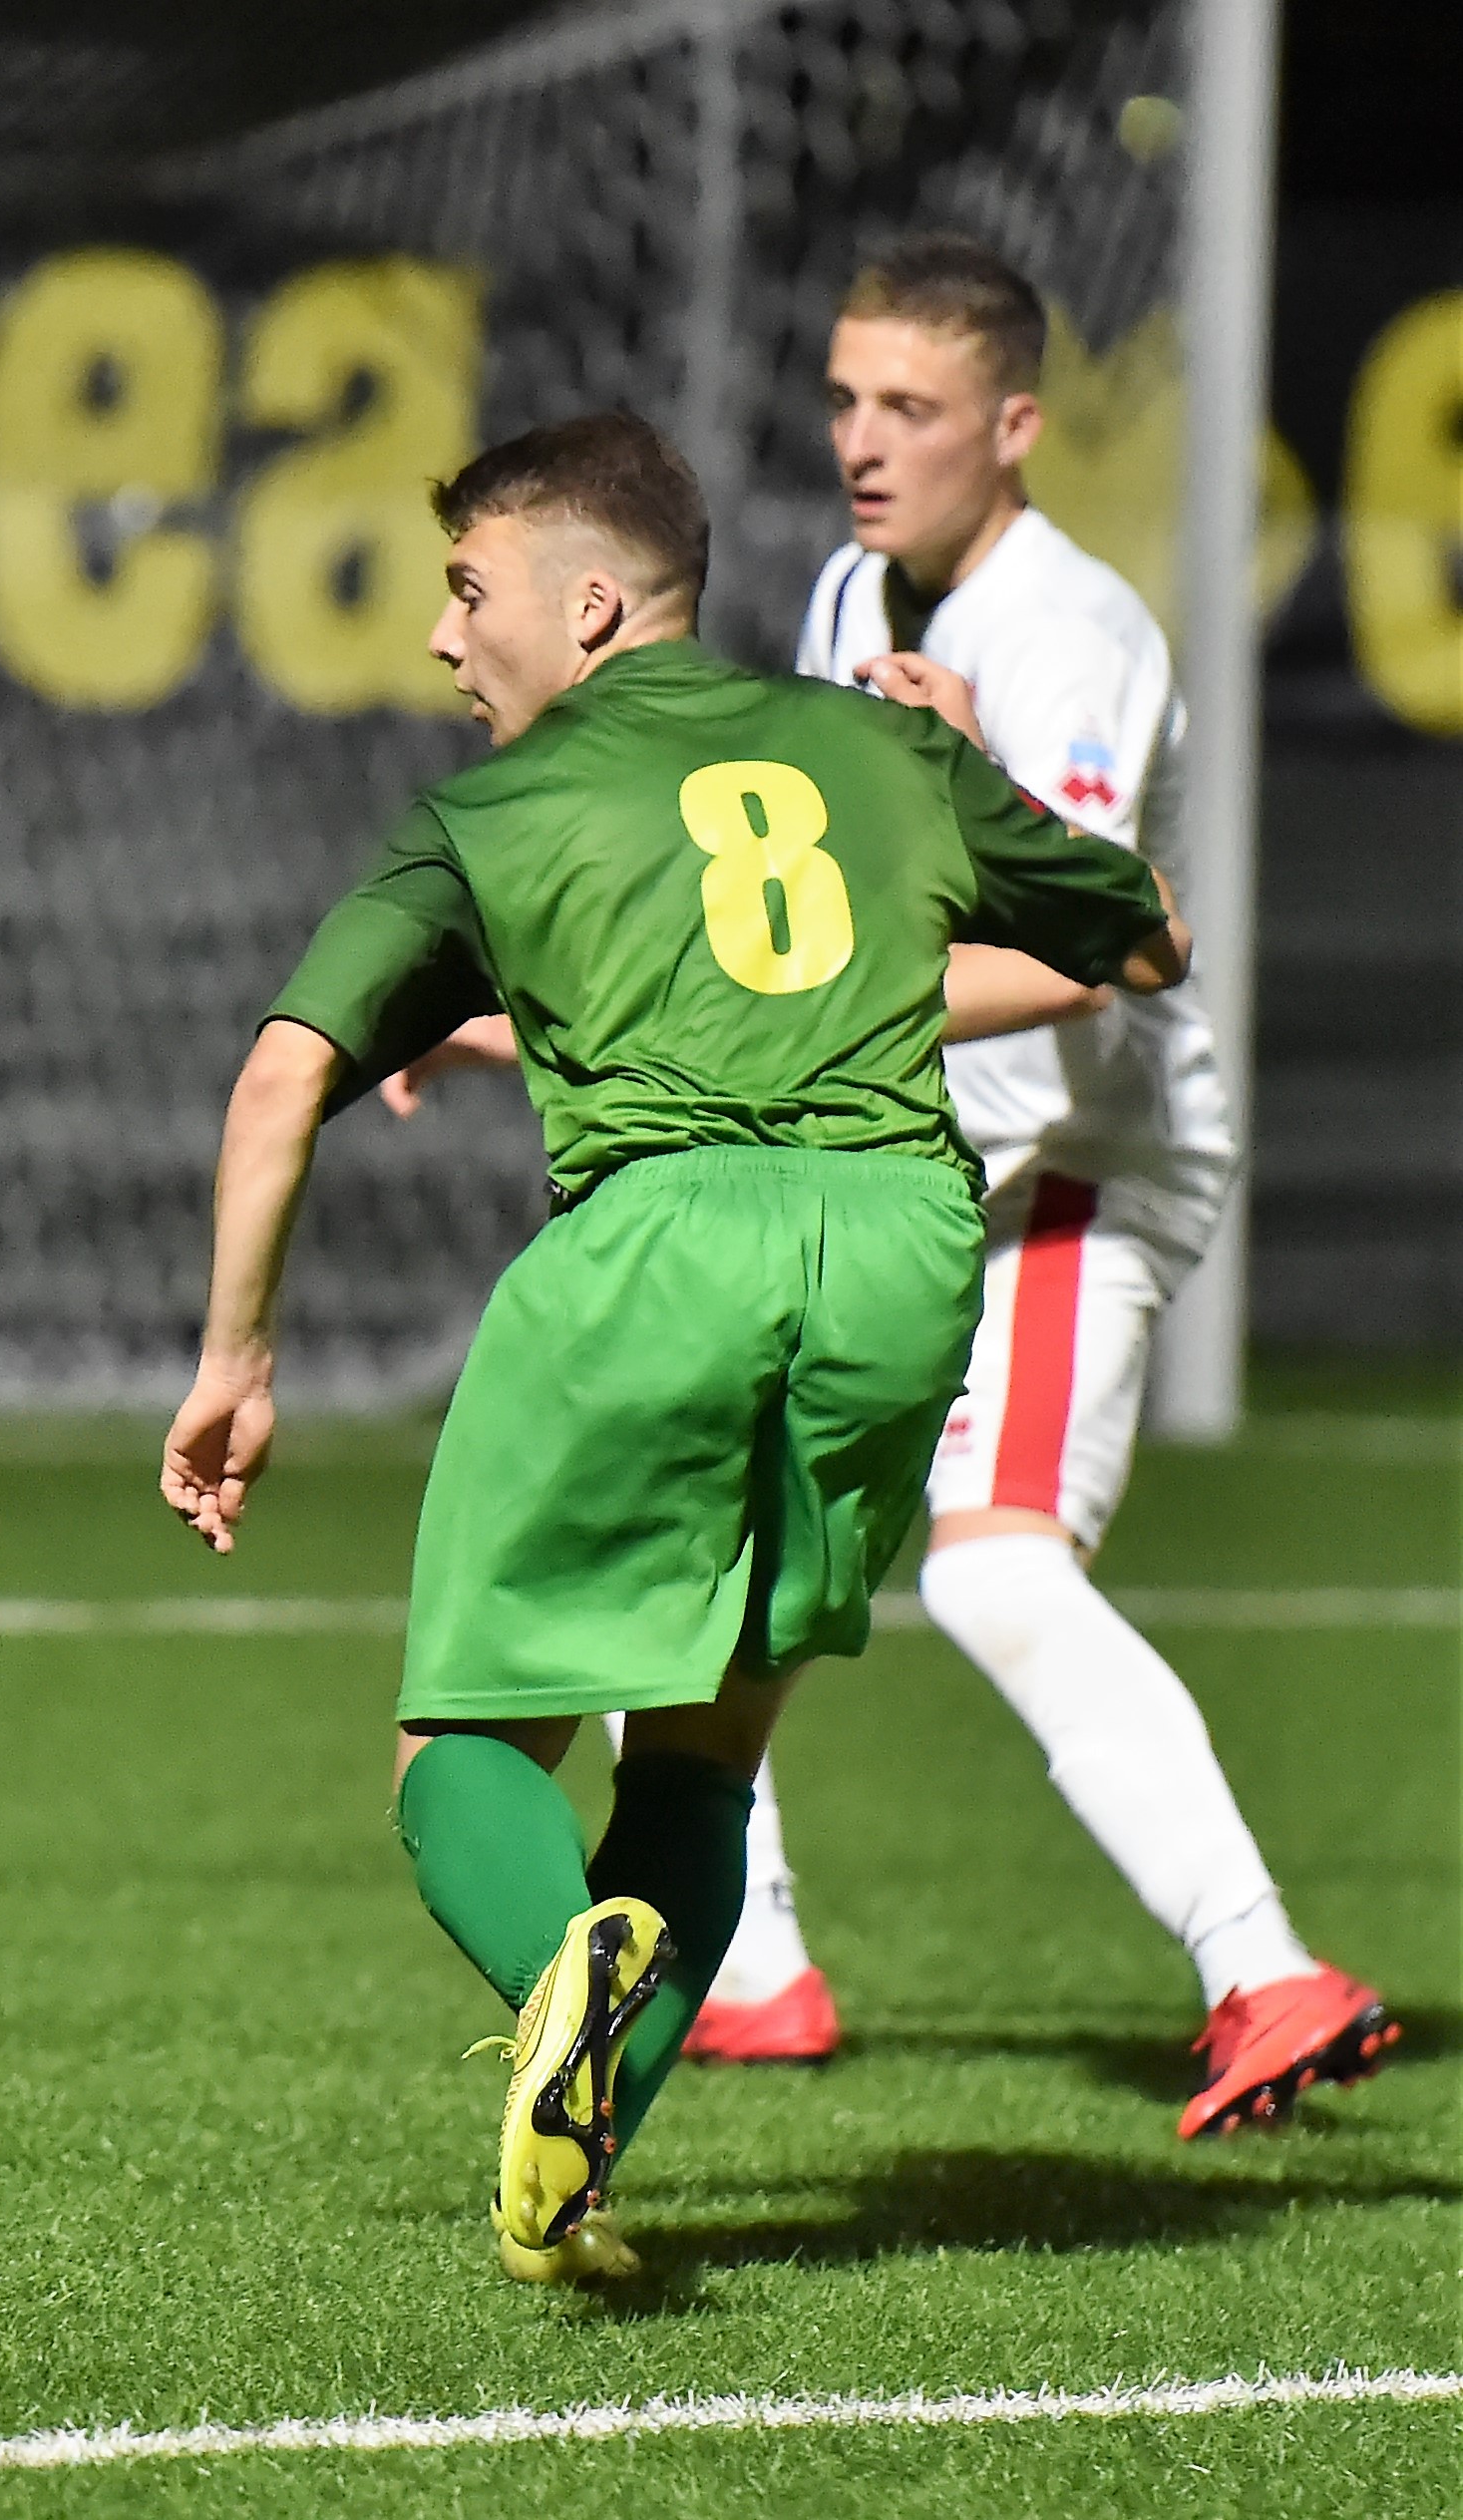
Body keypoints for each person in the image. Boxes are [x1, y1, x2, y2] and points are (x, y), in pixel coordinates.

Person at [166, 411, 1190, 2284]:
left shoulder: (494, 812)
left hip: (659, 1252)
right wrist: (960, 779)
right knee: (704, 1757)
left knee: (456, 1747)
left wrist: (235, 1355)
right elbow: (1140, 942)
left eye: (468, 588)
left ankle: (559, 1976)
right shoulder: (878, 747)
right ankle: (571, 2179)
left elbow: (276, 1081)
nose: (442, 635)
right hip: (897, 1251)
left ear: (588, 604)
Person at [385, 236, 1390, 2136]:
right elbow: (791, 929)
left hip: (1068, 1160)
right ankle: (745, 1966)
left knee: (996, 1566)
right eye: (844, 397)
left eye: (908, 407)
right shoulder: (852, 590)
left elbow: (1091, 950)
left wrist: (946, 787)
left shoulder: (1069, 632)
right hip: (882, 1180)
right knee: (674, 1541)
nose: (861, 440)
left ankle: (1261, 1965)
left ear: (1012, 427)